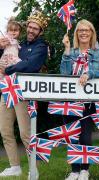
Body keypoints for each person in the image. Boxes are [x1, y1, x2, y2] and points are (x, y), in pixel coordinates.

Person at [0, 11, 48, 178]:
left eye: (36, 28)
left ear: (40, 31)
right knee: (5, 129)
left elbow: (31, 65)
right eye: (30, 26)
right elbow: (5, 57)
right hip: (8, 89)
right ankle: (15, 166)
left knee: (25, 133)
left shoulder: (41, 47)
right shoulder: (16, 43)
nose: (31, 30)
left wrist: (8, 69)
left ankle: (33, 169)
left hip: (24, 92)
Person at [60, 19, 99, 180]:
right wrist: (67, 50)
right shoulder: (71, 51)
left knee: (85, 136)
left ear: (92, 33)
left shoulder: (97, 51)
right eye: (80, 30)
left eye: (87, 30)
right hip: (70, 101)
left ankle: (84, 170)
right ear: (76, 33)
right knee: (72, 135)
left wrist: (90, 74)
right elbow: (64, 74)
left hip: (88, 101)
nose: (83, 32)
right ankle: (74, 170)